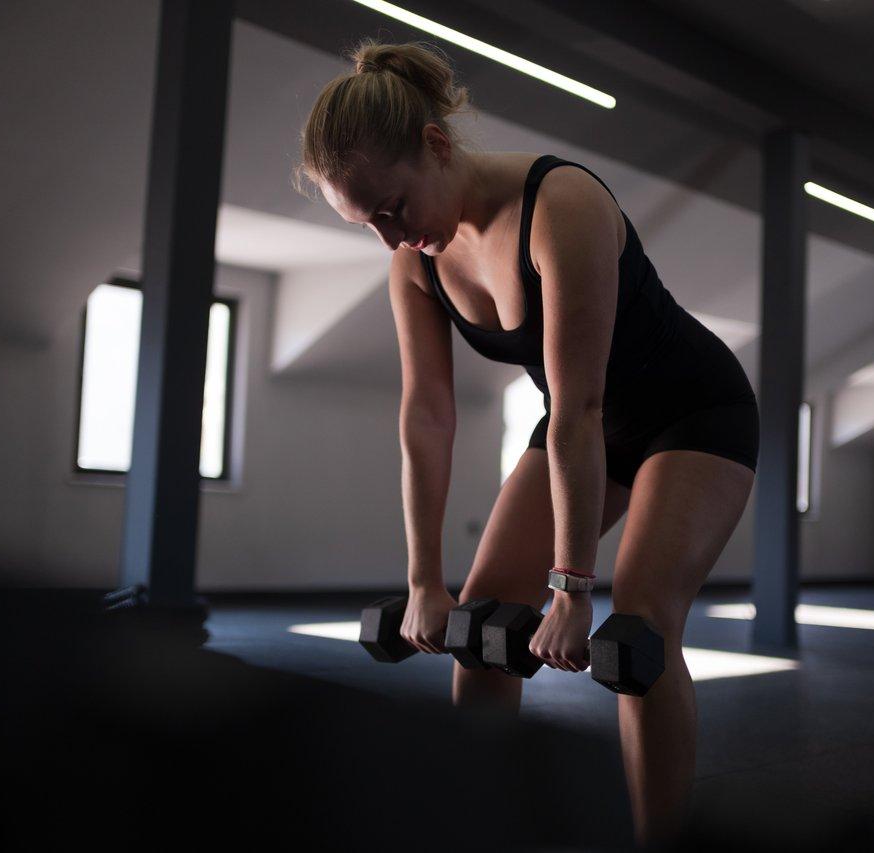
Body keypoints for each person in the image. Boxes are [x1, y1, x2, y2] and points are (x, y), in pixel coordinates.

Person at [292, 38, 759, 848]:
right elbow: (427, 415)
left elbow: (578, 405)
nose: (390, 237)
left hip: (692, 412)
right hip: (585, 422)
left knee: (641, 625)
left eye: (393, 208)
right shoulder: (415, 262)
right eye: (368, 223)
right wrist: (424, 579)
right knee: (481, 623)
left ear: (436, 145)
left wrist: (572, 589)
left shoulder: (560, 204)